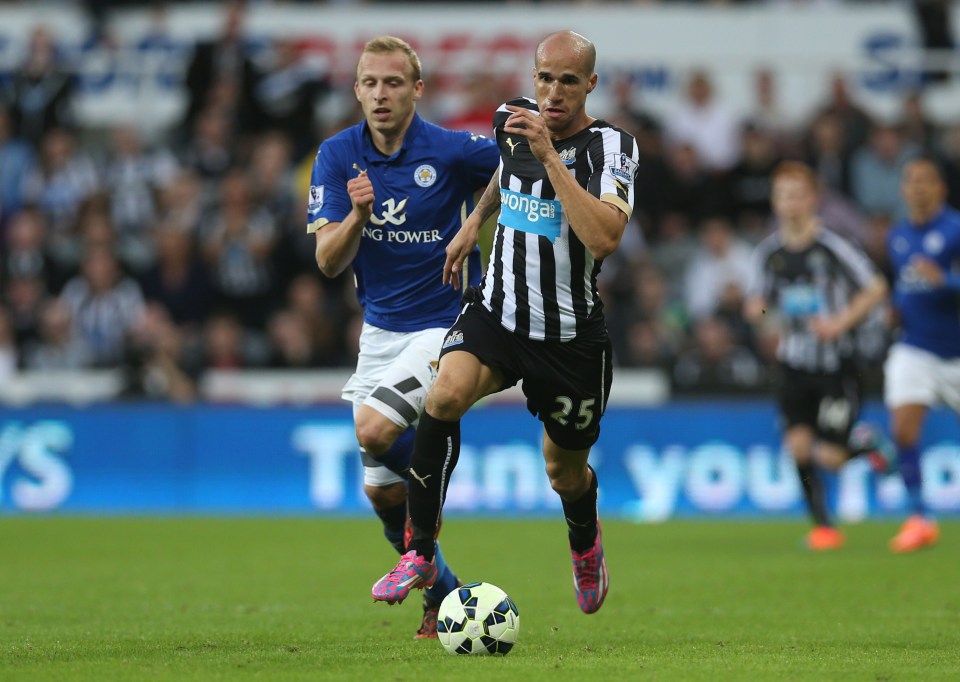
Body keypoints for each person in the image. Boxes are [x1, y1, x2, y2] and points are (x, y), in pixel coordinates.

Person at [371, 30, 640, 615]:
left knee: (563, 472)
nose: (553, 91)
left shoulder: (612, 148)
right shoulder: (511, 120)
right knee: (443, 396)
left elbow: (605, 237)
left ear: (590, 84)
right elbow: (504, 169)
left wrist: (551, 156)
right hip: (498, 312)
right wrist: (475, 221)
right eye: (544, 77)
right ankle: (419, 549)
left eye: (568, 80)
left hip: (569, 338)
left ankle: (585, 542)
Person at [307, 36, 499, 637]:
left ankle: (430, 499)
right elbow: (328, 262)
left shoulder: (451, 150)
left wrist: (474, 222)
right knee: (379, 492)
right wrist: (358, 217)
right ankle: (447, 594)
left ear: (417, 89)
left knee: (374, 429)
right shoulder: (338, 156)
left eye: (393, 83)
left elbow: (519, 167)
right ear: (357, 89)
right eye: (370, 83)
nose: (380, 94)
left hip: (443, 326)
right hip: (380, 333)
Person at [745, 161, 896, 551]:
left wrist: (840, 322)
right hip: (794, 364)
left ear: (813, 199)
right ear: (775, 203)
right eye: (782, 196)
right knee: (797, 447)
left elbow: (876, 287)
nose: (790, 203)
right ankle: (824, 527)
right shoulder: (770, 253)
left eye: (797, 195)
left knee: (830, 457)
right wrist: (763, 315)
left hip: (836, 364)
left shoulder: (833, 245)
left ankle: (867, 443)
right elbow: (759, 305)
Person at [884, 157, 960, 553]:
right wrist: (896, 308)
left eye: (926, 180)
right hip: (916, 347)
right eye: (911, 180)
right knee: (902, 431)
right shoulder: (896, 237)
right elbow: (906, 286)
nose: (918, 187)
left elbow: (938, 281)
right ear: (902, 189)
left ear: (941, 188)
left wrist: (946, 280)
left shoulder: (955, 229)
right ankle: (919, 518)